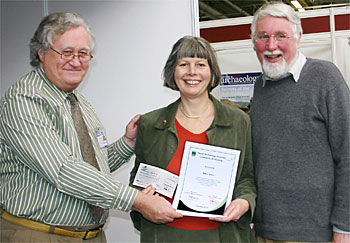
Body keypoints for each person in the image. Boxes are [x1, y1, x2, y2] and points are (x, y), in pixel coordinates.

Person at [0, 12, 181, 242]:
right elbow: (64, 170)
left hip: (91, 236)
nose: (75, 61)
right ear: (41, 52)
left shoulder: (78, 101)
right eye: (66, 52)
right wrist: (138, 201)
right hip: (39, 234)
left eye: (83, 53)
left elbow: (94, 166)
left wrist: (127, 144)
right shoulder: (25, 99)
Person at [128, 36, 256, 242]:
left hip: (223, 235)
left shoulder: (238, 121)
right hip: (164, 235)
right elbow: (138, 179)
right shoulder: (150, 124)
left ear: (212, 71)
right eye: (183, 64)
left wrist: (244, 201)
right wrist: (143, 203)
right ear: (173, 72)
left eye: (200, 64)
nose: (192, 72)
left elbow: (247, 178)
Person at [249, 2, 350, 243]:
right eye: (263, 36)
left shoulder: (325, 77)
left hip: (315, 234)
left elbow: (348, 154)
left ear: (298, 37)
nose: (271, 46)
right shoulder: (260, 87)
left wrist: (344, 228)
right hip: (265, 231)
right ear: (254, 42)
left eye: (281, 36)